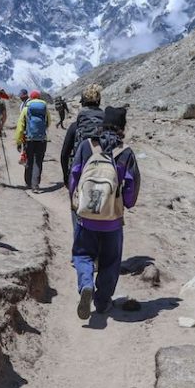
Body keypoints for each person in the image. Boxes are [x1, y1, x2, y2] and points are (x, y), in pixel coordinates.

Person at [69, 106, 140, 319]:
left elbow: (74, 176)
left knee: (82, 254)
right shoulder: (125, 152)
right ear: (122, 127)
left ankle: (86, 285)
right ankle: (102, 302)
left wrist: (76, 203)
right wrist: (125, 203)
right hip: (112, 220)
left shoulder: (86, 146)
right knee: (111, 261)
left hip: (85, 217)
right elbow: (131, 190)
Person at [60, 84, 104, 191]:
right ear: (99, 102)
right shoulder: (108, 125)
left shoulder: (75, 126)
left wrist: (66, 177)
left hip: (82, 172)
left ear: (83, 103)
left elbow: (64, 154)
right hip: (104, 172)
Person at [15, 90, 51, 193]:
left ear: (30, 98)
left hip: (29, 139)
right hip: (42, 139)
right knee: (38, 161)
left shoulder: (26, 109)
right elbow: (48, 122)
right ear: (39, 98)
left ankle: (28, 182)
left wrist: (18, 140)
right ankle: (35, 185)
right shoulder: (44, 108)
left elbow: (20, 126)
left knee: (29, 160)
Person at [16, 88, 30, 164]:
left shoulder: (28, 103)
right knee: (24, 143)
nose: (20, 97)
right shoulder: (24, 103)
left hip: (26, 126)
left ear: (24, 95)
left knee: (25, 143)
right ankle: (24, 157)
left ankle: (24, 158)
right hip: (25, 126)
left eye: (21, 96)